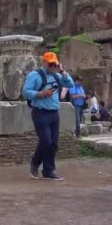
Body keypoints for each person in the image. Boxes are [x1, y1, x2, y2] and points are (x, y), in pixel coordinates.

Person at [23, 52, 74, 181]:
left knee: (53, 143)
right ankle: (35, 163)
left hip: (54, 113)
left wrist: (62, 71)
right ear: (44, 63)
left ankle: (48, 170)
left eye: (54, 64)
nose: (52, 66)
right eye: (50, 64)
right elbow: (26, 92)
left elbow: (70, 84)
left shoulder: (58, 76)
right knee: (45, 141)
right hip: (40, 112)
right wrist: (41, 94)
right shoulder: (34, 75)